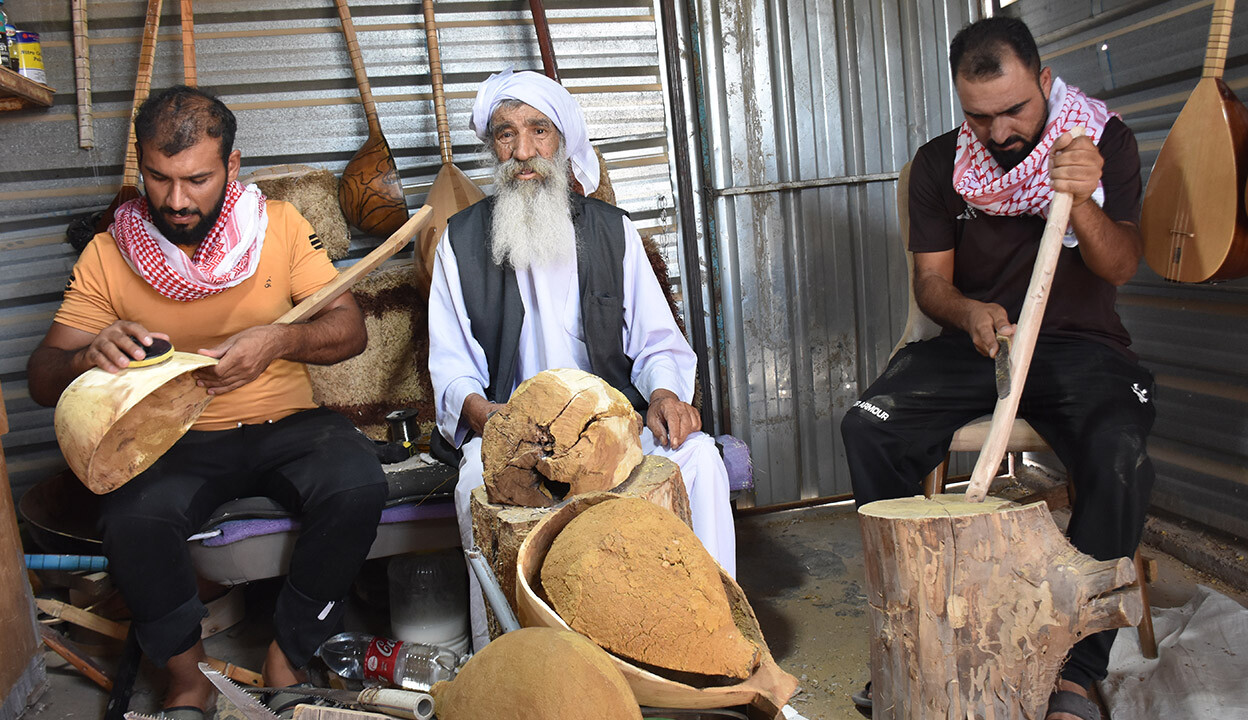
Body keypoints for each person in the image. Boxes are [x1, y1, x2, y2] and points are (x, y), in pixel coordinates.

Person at [27, 86, 387, 719]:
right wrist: (88, 357)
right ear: (140, 166)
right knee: (132, 517)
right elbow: (40, 377)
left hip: (288, 424)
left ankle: (287, 653)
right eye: (159, 179)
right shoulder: (110, 254)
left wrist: (281, 339)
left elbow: (350, 332)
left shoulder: (277, 227)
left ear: (232, 166)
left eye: (196, 180)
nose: (176, 200)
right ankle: (186, 677)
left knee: (357, 484)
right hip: (174, 441)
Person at [840, 17, 1154, 720]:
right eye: (979, 116)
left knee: (1121, 455)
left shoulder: (1102, 142)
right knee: (869, 426)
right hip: (974, 346)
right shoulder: (938, 166)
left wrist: (1083, 201)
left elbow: (1123, 265)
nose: (1000, 130)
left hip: (1081, 348)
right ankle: (915, 629)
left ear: (1045, 83)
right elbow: (931, 284)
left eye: (1015, 109)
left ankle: (1077, 669)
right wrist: (969, 312)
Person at [428, 68, 736, 651]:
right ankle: (509, 658)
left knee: (698, 459)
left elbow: (656, 343)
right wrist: (486, 416)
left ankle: (714, 640)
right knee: (474, 479)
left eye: (538, 131)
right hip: (514, 433)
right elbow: (452, 367)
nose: (522, 152)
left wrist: (667, 395)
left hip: (614, 429)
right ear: (490, 146)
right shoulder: (460, 241)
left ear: (562, 142)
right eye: (505, 134)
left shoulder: (614, 232)